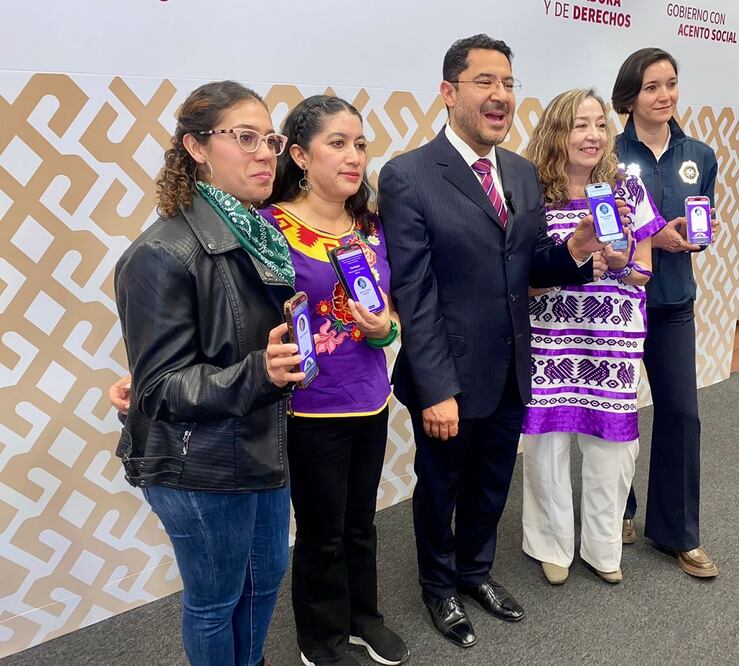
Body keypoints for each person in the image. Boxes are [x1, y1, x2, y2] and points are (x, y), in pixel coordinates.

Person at [378, 35, 611, 649]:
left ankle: (475, 572)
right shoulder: (407, 176)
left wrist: (578, 249)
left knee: (490, 484)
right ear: (450, 93)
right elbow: (416, 291)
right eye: (485, 82)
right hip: (447, 373)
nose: (501, 95)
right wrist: (435, 389)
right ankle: (438, 587)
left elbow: (530, 265)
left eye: (508, 83)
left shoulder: (523, 173)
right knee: (441, 485)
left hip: (514, 365)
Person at [114, 81, 301, 665]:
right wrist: (260, 373)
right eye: (244, 138)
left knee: (266, 582)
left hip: (263, 441)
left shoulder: (260, 238)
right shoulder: (161, 253)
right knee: (215, 600)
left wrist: (290, 360)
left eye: (269, 139)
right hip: (198, 463)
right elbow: (159, 389)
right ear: (196, 147)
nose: (265, 153)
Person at [258, 95, 409, 666]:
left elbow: (388, 319)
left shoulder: (370, 226)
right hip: (309, 406)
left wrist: (383, 329)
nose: (354, 157)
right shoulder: (271, 228)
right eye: (338, 143)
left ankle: (364, 618)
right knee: (322, 532)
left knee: (361, 524)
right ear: (298, 155)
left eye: (361, 144)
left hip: (371, 398)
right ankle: (320, 638)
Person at [520, 88, 665, 586]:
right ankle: (550, 543)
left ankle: (603, 547)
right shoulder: (529, 190)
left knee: (613, 449)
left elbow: (646, 270)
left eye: (600, 125)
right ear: (557, 130)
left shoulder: (628, 187)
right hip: (550, 337)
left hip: (614, 340)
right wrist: (575, 256)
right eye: (580, 124)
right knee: (547, 447)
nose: (593, 135)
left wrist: (625, 266)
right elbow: (524, 272)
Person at [612, 47, 720, 577]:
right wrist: (646, 237)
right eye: (653, 86)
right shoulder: (608, 155)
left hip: (674, 305)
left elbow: (703, 225)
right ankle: (619, 512)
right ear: (630, 95)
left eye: (671, 84)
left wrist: (692, 239)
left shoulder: (699, 152)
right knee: (617, 414)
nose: (665, 96)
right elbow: (599, 226)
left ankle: (679, 532)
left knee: (681, 414)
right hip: (617, 304)